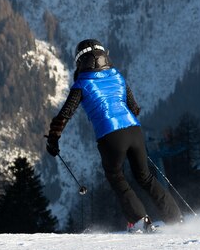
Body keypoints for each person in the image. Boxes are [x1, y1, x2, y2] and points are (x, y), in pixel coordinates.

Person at [46, 39, 183, 232]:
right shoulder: (118, 77)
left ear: (80, 62)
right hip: (134, 131)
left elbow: (64, 115)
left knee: (116, 176)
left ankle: (139, 221)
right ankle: (175, 219)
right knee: (146, 177)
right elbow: (134, 108)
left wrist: (53, 140)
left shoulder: (82, 85)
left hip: (110, 135)